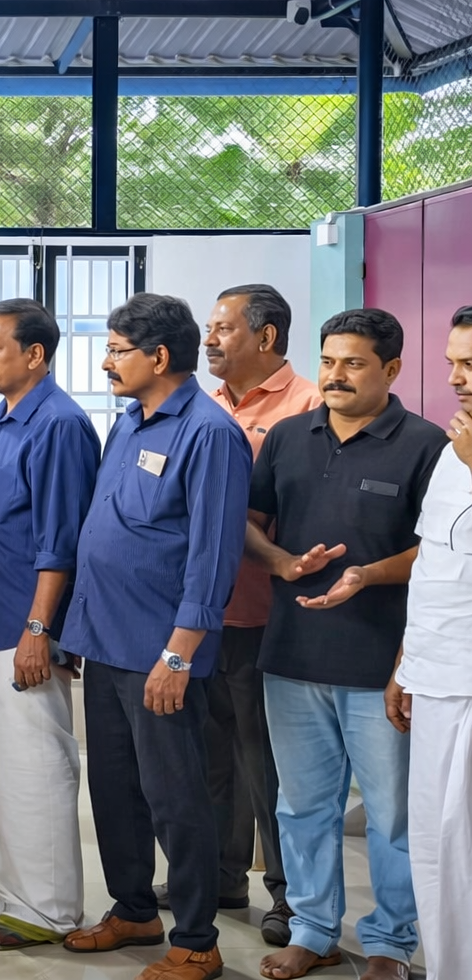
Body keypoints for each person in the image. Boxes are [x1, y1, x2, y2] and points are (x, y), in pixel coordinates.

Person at [247, 308, 444, 980]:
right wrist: (277, 561)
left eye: (353, 363)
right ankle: (313, 929)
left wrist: (368, 574)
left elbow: (441, 550)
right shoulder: (286, 437)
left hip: (379, 664)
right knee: (301, 807)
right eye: (328, 361)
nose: (335, 375)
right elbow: (250, 521)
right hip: (293, 655)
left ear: (390, 369)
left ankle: (390, 944)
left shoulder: (426, 445)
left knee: (390, 815)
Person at [60, 293, 250, 980]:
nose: (106, 361)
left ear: (159, 356)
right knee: (114, 791)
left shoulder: (209, 432)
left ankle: (197, 939)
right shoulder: (129, 423)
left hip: (160, 653)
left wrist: (179, 653)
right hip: (105, 644)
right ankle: (133, 908)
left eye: (116, 349)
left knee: (176, 799)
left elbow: (212, 557)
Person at [0, 300, 100, 950]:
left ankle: (43, 908)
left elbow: (59, 541)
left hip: (21, 629)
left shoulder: (59, 425)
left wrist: (40, 630)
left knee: (33, 766)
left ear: (34, 354)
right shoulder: (7, 418)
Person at [171, 284, 319, 946]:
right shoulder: (201, 408)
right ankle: (224, 875)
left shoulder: (308, 408)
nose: (209, 340)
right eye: (207, 328)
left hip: (274, 623)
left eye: (223, 328)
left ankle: (287, 896)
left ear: (265, 337)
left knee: (270, 768)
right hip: (203, 621)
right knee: (212, 760)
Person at [393, 305, 472, 980]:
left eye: (470, 364)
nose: (456, 378)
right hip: (436, 677)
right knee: (438, 851)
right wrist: (405, 662)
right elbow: (433, 563)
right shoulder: (453, 451)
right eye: (452, 362)